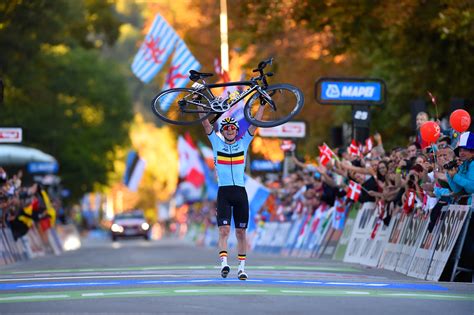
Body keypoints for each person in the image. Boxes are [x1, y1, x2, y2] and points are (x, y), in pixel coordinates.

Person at [199, 106, 265, 281]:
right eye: (226, 128)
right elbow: (205, 124)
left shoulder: (243, 143)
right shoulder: (216, 143)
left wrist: (263, 105)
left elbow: (254, 124)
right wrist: (199, 105)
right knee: (224, 230)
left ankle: (242, 268)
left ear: (236, 130)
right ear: (223, 131)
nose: (229, 130)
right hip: (224, 192)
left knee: (241, 233)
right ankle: (224, 264)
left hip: (240, 193)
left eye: (232, 128)